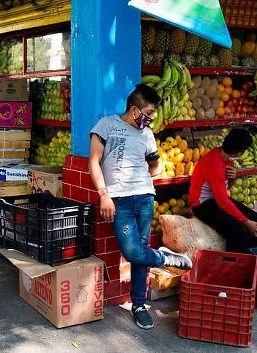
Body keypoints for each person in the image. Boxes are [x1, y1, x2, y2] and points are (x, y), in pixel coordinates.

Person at [88, 84, 193, 331]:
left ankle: (138, 305)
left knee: (139, 253)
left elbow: (155, 166)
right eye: (147, 113)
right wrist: (104, 194)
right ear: (134, 110)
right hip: (119, 201)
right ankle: (166, 258)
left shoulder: (146, 134)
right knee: (133, 252)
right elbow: (94, 161)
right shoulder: (106, 125)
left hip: (145, 198)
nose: (150, 119)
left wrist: (142, 177)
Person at [189, 128, 257, 253]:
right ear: (239, 153)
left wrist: (232, 178)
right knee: (239, 231)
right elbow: (222, 201)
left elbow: (224, 189)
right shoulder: (215, 163)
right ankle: (234, 267)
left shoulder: (226, 158)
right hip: (202, 205)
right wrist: (245, 222)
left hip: (215, 200)